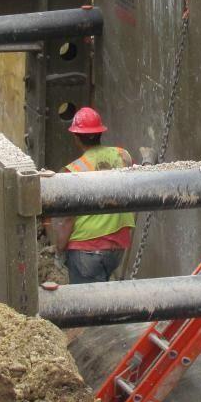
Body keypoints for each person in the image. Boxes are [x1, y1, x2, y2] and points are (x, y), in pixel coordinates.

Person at [53, 107, 136, 284]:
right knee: (103, 296)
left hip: (85, 249)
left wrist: (59, 250)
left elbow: (67, 220)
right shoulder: (123, 155)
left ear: (76, 137)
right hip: (117, 248)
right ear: (100, 132)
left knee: (85, 300)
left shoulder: (73, 171)